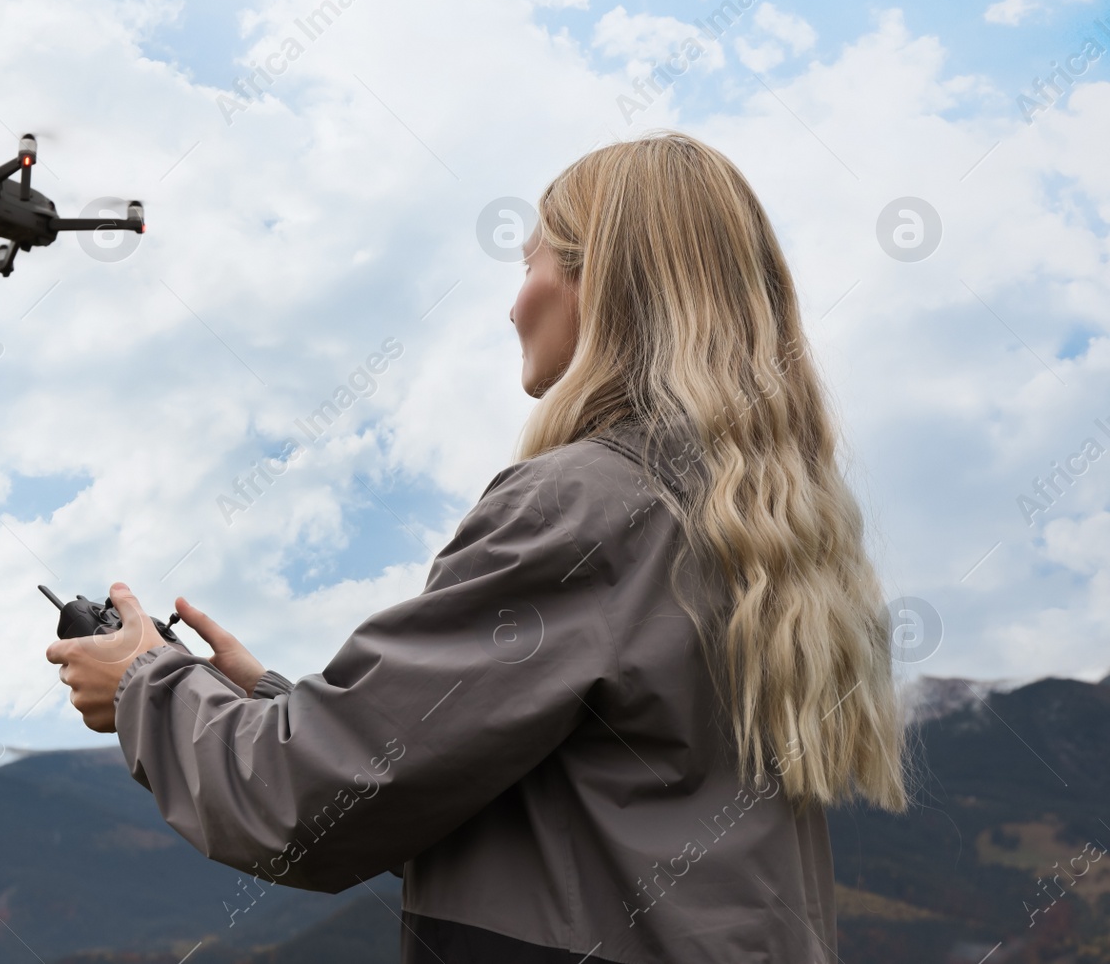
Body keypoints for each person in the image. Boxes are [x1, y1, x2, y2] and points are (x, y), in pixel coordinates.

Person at [47, 131, 907, 963]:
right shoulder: (766, 539)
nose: (513, 301)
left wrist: (145, 686)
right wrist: (265, 698)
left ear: (595, 283)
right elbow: (554, 832)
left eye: (531, 262)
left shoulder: (584, 509)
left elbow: (307, 807)